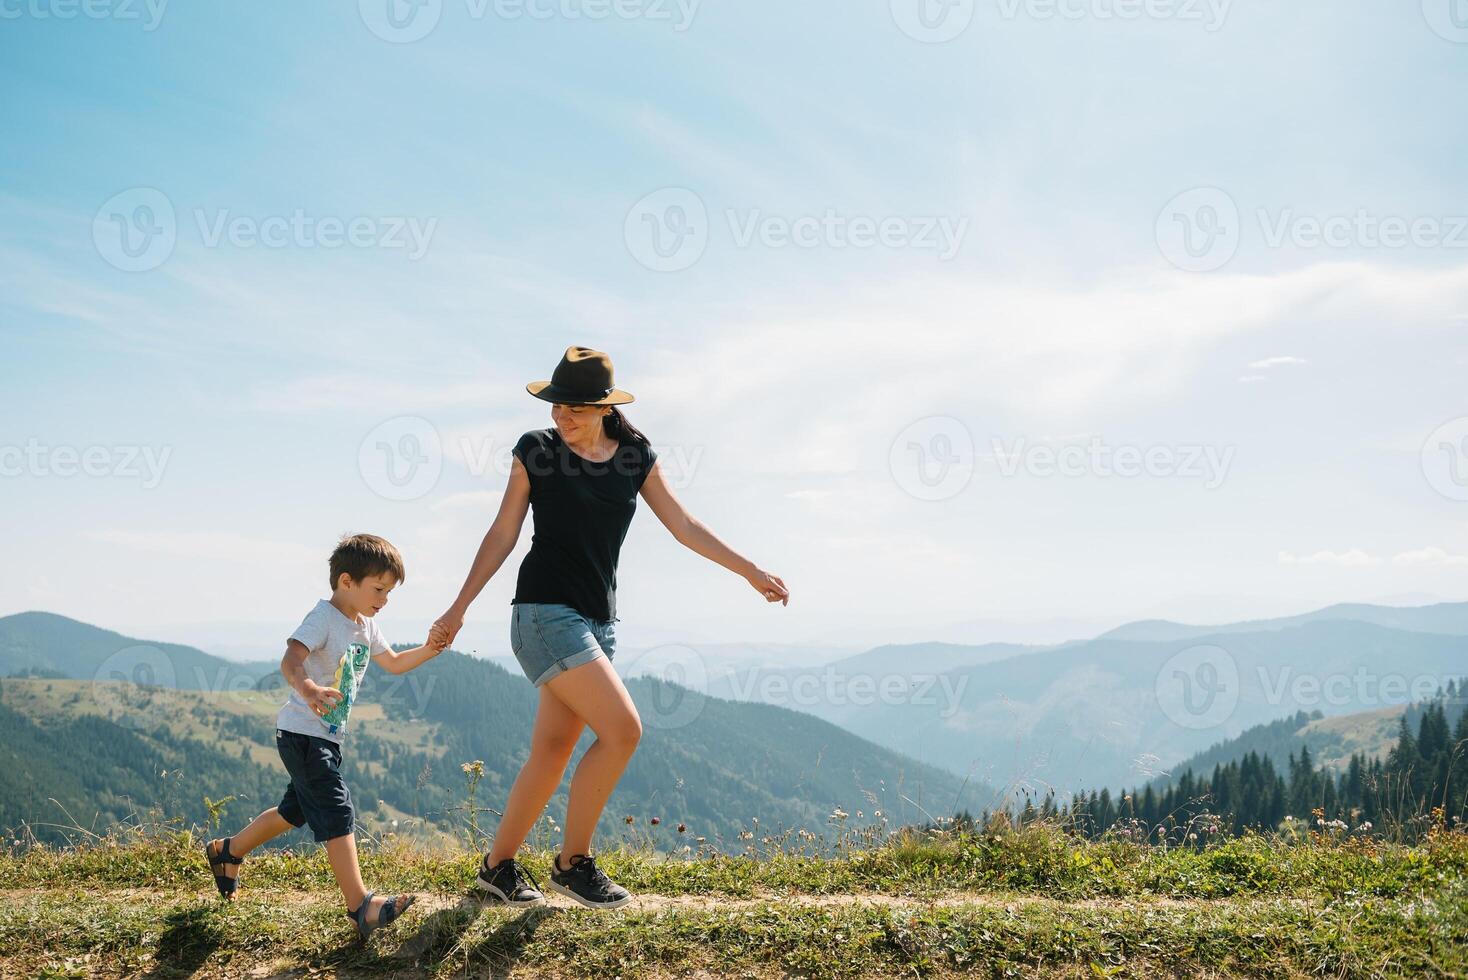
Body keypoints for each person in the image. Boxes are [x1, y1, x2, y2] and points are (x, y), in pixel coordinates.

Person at [433, 345, 789, 910]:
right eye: (554, 405)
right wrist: (459, 607)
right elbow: (503, 532)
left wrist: (748, 570)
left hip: (600, 621)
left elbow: (683, 524)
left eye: (572, 407)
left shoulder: (635, 456)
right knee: (624, 730)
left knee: (551, 750)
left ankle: (497, 869)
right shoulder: (538, 451)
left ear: (602, 408)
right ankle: (573, 864)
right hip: (544, 614)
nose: (560, 417)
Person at [204, 533, 449, 939]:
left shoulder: (366, 625)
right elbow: (291, 659)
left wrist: (429, 648)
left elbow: (393, 663)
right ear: (346, 582)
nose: (384, 599)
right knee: (336, 809)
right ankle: (361, 906)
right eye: (379, 589)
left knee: (293, 812)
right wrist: (310, 691)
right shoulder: (323, 618)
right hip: (302, 733)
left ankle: (227, 851)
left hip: (325, 738)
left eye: (389, 592)